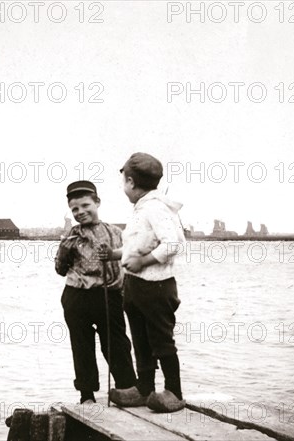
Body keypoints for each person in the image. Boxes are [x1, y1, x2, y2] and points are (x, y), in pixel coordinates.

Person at [99, 153, 186, 413]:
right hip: (136, 286)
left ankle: (174, 392)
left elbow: (172, 244)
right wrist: (115, 254)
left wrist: (145, 261)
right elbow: (136, 246)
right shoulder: (142, 208)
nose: (123, 187)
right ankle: (144, 388)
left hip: (156, 287)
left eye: (124, 181)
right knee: (140, 339)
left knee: (161, 340)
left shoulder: (156, 208)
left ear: (130, 182)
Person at [55, 180, 137, 404]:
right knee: (81, 345)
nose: (80, 212)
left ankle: (127, 388)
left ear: (97, 202)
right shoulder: (71, 236)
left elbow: (129, 259)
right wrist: (65, 250)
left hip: (109, 296)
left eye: (85, 205)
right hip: (77, 297)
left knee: (117, 343)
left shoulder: (115, 233)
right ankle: (87, 394)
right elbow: (60, 270)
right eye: (75, 209)